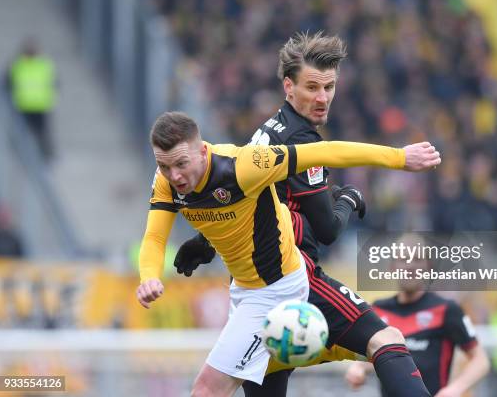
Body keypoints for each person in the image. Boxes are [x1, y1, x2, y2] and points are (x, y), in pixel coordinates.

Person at [172, 32, 429, 396]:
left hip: (252, 295)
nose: (322, 98)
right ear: (288, 86)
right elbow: (327, 229)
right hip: (296, 281)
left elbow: (241, 195)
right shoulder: (303, 141)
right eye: (312, 87)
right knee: (386, 339)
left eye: (329, 87)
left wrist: (204, 242)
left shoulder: (265, 132)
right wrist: (349, 199)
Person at [137, 111, 440, 396]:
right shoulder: (165, 182)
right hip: (245, 293)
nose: (173, 175)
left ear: (202, 151)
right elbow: (154, 236)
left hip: (278, 289)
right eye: (164, 166)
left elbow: (326, 152)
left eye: (180, 164)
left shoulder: (243, 166)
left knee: (206, 390)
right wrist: (149, 276)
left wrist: (400, 157)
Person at [345, 235, 490, 396]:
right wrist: (358, 367)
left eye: (417, 259)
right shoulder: (378, 310)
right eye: (403, 259)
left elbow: (480, 360)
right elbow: (378, 355)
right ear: (392, 267)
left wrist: (454, 389)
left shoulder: (447, 309)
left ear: (428, 266)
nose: (410, 266)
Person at [7, 38, 57, 161]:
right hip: (26, 105)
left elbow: (54, 83)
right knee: (28, 133)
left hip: (38, 104)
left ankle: (45, 155)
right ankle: (28, 155)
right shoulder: (20, 65)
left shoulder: (23, 65)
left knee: (41, 133)